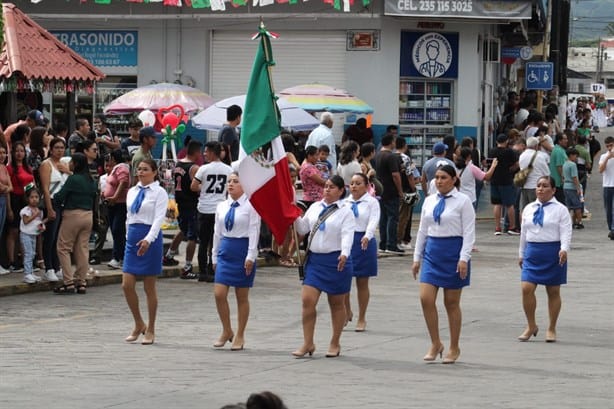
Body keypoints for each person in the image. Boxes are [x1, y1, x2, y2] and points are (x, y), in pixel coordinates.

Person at [411, 164, 475, 364]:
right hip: (432, 252)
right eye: (437, 177)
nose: (439, 181)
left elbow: (469, 232)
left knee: (451, 302)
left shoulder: (463, 201)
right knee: (426, 298)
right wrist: (416, 257)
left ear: (454, 179)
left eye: (443, 177)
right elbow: (422, 230)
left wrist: (464, 258)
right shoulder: (429, 201)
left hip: (453, 252)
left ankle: (454, 346)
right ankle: (435, 342)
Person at [292, 175, 355, 358]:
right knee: (307, 300)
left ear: (341, 191)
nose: (327, 189)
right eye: (326, 186)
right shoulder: (315, 207)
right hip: (315, 261)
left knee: (336, 303)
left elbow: (347, 234)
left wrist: (344, 253)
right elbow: (303, 229)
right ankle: (307, 342)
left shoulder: (345, 211)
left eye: (332, 187)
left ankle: (335, 342)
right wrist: (294, 215)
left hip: (336, 261)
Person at [518, 175, 572, 343]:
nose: (540, 189)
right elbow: (524, 232)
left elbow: (566, 231)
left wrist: (564, 249)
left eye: (545, 186)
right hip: (533, 252)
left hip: (553, 252)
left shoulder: (560, 209)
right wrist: (521, 253)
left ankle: (551, 327)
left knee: (553, 291)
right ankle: (531, 325)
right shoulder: (529, 208)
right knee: (526, 288)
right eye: (538, 185)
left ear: (553, 190)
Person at [211, 172, 261, 351]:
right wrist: (214, 255)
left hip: (242, 248)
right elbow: (217, 232)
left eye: (236, 182)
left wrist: (250, 256)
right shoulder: (222, 206)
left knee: (242, 295)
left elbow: (254, 231)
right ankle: (226, 330)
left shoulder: (251, 205)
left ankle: (240, 333)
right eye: (229, 181)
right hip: (226, 248)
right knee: (219, 293)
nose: (231, 185)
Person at [122, 158, 168, 345]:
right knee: (127, 284)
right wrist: (127, 236)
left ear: (154, 172)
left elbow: (158, 219)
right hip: (133, 236)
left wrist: (149, 239)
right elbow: (129, 216)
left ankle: (151, 327)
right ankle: (138, 322)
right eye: (138, 169)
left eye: (145, 169)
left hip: (150, 236)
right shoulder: (132, 191)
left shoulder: (159, 192)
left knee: (149, 286)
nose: (141, 172)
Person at [52, 153, 98, 295]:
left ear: (76, 164)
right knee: (82, 249)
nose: (69, 163)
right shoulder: (91, 180)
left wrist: (54, 200)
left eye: (71, 161)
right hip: (88, 215)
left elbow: (60, 196)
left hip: (73, 214)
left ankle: (68, 281)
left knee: (63, 247)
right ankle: (81, 281)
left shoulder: (73, 179)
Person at [191, 141, 233, 282]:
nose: (204, 154)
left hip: (204, 208)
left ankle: (203, 272)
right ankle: (213, 268)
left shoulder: (203, 169)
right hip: (220, 209)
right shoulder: (228, 169)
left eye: (206, 151)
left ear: (212, 152)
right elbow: (230, 188)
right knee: (216, 240)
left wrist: (204, 187)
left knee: (203, 242)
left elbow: (193, 186)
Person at [344, 173, 380, 332]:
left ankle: (362, 317)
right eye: (352, 183)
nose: (354, 186)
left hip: (364, 242)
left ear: (366, 186)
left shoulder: (372, 202)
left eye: (358, 183)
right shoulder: (344, 203)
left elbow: (373, 220)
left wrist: (367, 235)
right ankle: (346, 310)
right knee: (343, 279)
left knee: (362, 282)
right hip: (347, 241)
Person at [163, 140, 202, 278]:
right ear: (196, 152)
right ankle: (187, 267)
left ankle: (168, 255)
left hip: (180, 201)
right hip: (191, 203)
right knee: (192, 236)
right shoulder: (194, 168)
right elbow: (195, 187)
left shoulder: (178, 164)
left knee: (183, 230)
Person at [39, 138, 70, 281]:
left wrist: (68, 171)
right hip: (51, 201)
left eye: (62, 147)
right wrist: (49, 208)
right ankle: (49, 267)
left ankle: (57, 266)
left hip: (63, 203)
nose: (60, 150)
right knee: (50, 236)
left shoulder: (64, 164)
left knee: (59, 237)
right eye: (57, 147)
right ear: (51, 149)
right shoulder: (46, 164)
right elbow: (45, 188)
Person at [6, 142, 34, 273]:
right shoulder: (10, 168)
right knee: (14, 231)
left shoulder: (27, 167)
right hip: (15, 199)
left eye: (22, 151)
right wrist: (9, 208)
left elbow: (31, 183)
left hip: (27, 200)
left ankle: (25, 259)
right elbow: (9, 187)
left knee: (25, 231)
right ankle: (12, 261)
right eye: (17, 151)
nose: (19, 153)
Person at [374, 132, 404, 254]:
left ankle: (382, 243)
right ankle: (391, 244)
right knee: (393, 217)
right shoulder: (391, 157)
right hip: (391, 190)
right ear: (391, 142)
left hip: (380, 190)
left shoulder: (377, 155)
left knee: (383, 218)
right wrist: (400, 191)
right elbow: (395, 175)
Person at [102, 149, 131, 269]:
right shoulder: (115, 168)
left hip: (119, 203)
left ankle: (119, 257)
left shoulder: (121, 168)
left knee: (117, 229)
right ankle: (118, 256)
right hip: (112, 204)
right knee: (115, 231)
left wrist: (115, 197)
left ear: (114, 158)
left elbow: (123, 182)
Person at [489, 133, 520, 235]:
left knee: (497, 204)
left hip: (494, 180)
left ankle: (497, 228)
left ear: (497, 141)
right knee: (509, 204)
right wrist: (510, 170)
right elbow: (516, 164)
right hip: (506, 180)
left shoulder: (492, 151)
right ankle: (512, 227)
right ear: (506, 141)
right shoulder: (509, 152)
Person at [20, 186, 46, 284]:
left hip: (33, 234)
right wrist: (35, 215)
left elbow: (38, 222)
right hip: (25, 234)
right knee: (28, 253)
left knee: (32, 253)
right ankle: (27, 274)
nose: (34, 199)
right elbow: (26, 221)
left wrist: (42, 226)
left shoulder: (39, 211)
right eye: (32, 197)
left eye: (36, 197)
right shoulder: (25, 210)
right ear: (27, 198)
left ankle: (30, 272)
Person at [562, 148, 584, 229]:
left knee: (568, 205)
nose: (576, 158)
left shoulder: (565, 164)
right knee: (577, 205)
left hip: (566, 186)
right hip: (572, 186)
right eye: (575, 156)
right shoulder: (572, 165)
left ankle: (570, 222)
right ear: (571, 155)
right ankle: (579, 222)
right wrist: (578, 188)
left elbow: (563, 177)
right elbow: (574, 177)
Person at [0, 142, 13, 275]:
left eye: (4, 153)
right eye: (0, 153)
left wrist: (9, 208)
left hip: (4, 201)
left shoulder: (4, 167)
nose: (2, 155)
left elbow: (9, 187)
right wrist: (5, 188)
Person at [599, 136, 614, 240]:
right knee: (608, 208)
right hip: (607, 185)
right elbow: (601, 170)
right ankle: (611, 228)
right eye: (607, 146)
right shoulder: (603, 156)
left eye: (611, 145)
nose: (609, 148)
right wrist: (608, 158)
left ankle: (613, 229)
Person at [549, 133, 569, 204]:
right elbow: (559, 166)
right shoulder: (559, 151)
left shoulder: (558, 149)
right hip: (558, 182)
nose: (567, 140)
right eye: (565, 139)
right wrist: (564, 178)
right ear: (559, 141)